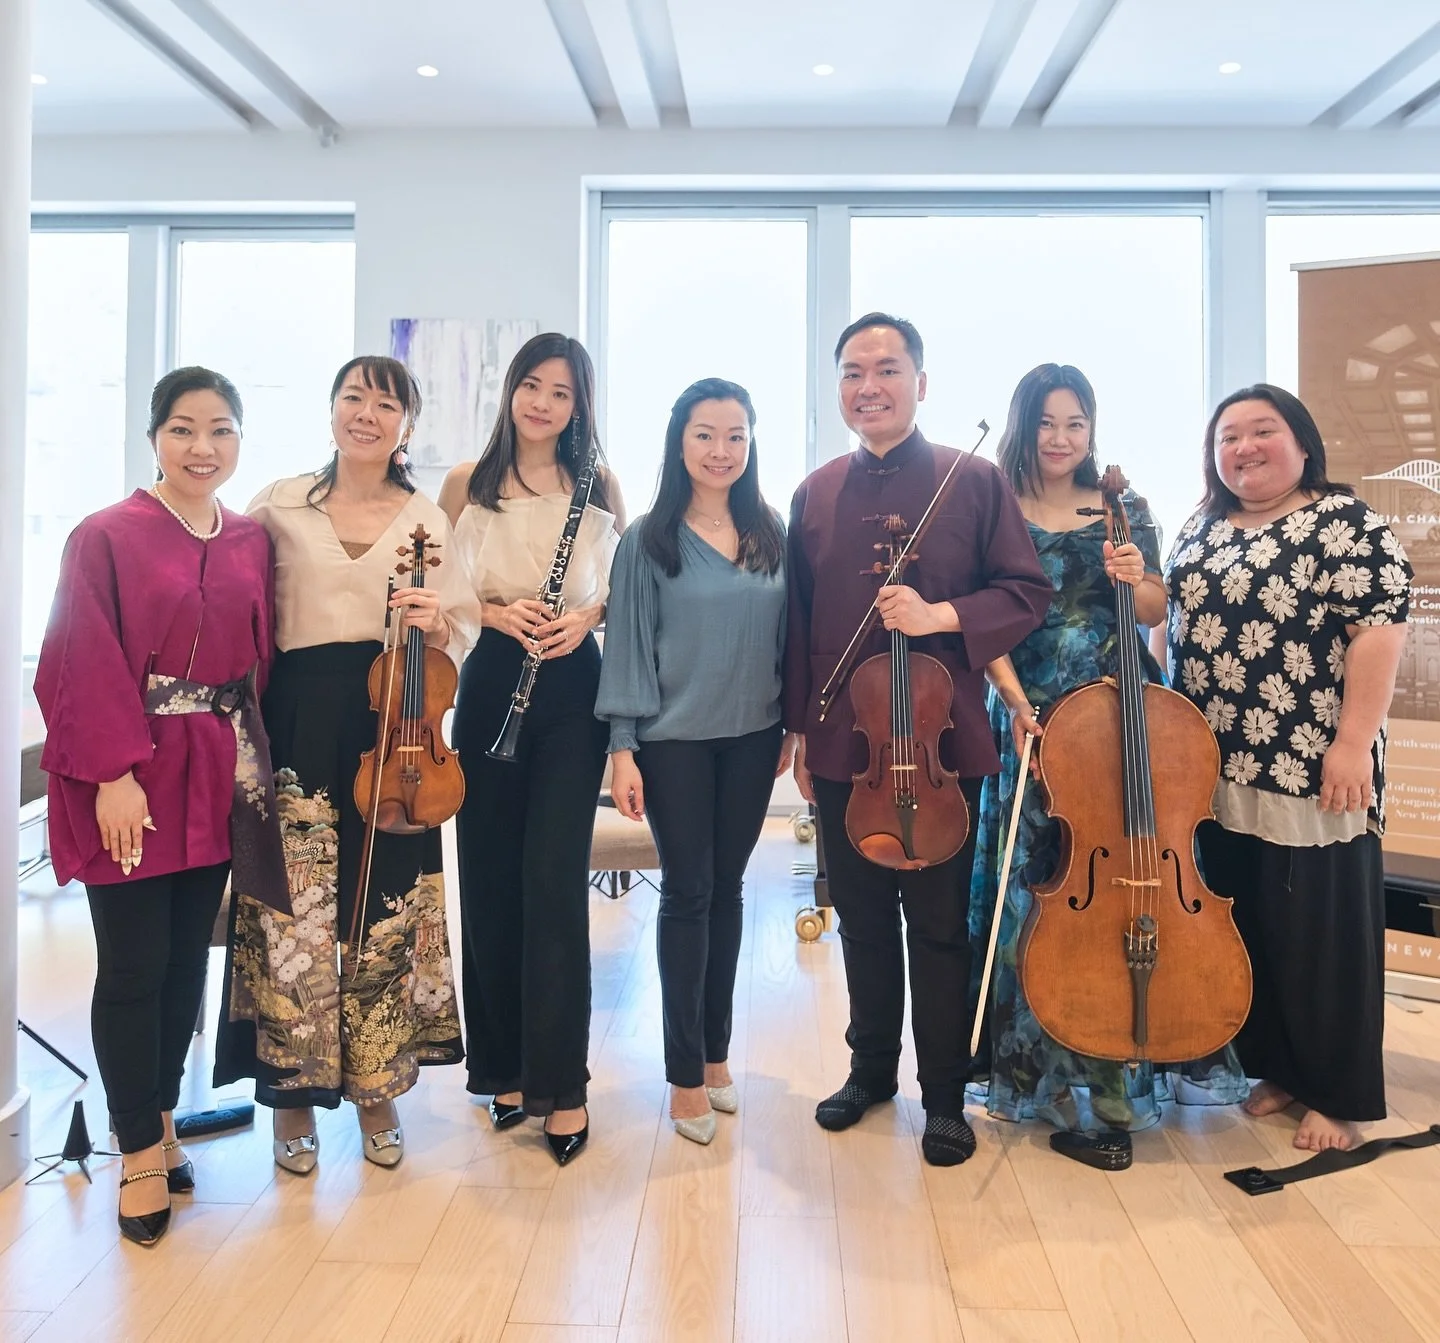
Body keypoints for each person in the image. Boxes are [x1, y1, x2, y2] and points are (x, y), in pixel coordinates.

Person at [784, 313, 1051, 1166]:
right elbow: (798, 622)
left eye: (889, 369)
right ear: (840, 389)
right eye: (854, 371)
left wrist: (943, 614)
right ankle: (871, 1071)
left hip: (937, 750)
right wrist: (800, 730)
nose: (871, 385)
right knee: (859, 919)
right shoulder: (816, 491)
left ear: (921, 383)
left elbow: (1026, 589)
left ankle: (944, 1094)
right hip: (843, 746)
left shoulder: (971, 482)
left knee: (937, 925)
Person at [966, 363, 1247, 1169]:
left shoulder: (1127, 510)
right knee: (1037, 899)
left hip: (1121, 709)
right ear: (1025, 427)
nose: (1062, 438)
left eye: (1076, 423)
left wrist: (1138, 578)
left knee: (1129, 885)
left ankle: (1122, 1063)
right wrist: (1019, 707)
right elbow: (988, 624)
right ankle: (1039, 1071)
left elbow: (1159, 606)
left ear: (1093, 430)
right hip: (1028, 714)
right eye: (1048, 422)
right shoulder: (997, 509)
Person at [36, 367, 286, 1245]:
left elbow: (260, 660)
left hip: (215, 768)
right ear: (154, 437)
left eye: (221, 429)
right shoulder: (104, 535)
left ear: (240, 441)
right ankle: (136, 1145)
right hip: (131, 774)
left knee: (188, 962)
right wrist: (111, 772)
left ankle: (167, 1117)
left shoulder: (252, 537)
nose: (202, 447)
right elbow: (78, 653)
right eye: (183, 429)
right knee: (135, 965)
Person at [214, 355, 470, 1176]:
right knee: (291, 912)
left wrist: (438, 617)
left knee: (385, 904)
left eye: (386, 402)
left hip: (392, 725)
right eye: (354, 396)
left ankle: (377, 1084)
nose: (368, 412)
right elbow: (237, 609)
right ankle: (290, 1095)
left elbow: (461, 628)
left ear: (406, 424)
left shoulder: (426, 514)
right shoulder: (279, 504)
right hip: (293, 718)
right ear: (330, 410)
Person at [1164, 384, 1411, 1152]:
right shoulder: (1203, 523)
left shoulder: (1344, 522)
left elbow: (1379, 632)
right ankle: (1275, 1065)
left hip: (1311, 762)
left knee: (1323, 931)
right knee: (1254, 926)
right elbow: (1160, 609)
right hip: (1215, 762)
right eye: (1228, 436)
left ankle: (1338, 1093)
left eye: (1262, 430)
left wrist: (1351, 742)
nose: (1243, 447)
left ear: (1302, 441)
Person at [439, 333, 624, 1167]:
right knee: (489, 880)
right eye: (531, 385)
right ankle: (504, 1071)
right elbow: (442, 600)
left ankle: (566, 1084)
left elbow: (623, 590)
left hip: (569, 689)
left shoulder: (600, 484)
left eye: (561, 391)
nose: (543, 402)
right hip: (489, 686)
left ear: (580, 404)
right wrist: (488, 609)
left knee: (553, 883)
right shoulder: (464, 485)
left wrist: (588, 618)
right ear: (510, 390)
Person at [596, 378, 792, 1146]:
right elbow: (629, 651)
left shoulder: (769, 529)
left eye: (736, 435)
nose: (721, 450)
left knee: (730, 890)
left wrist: (791, 730)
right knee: (687, 891)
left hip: (754, 737)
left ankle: (716, 1056)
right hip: (672, 741)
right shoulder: (647, 538)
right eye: (706, 434)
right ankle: (681, 1079)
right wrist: (621, 748)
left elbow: (785, 639)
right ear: (680, 443)